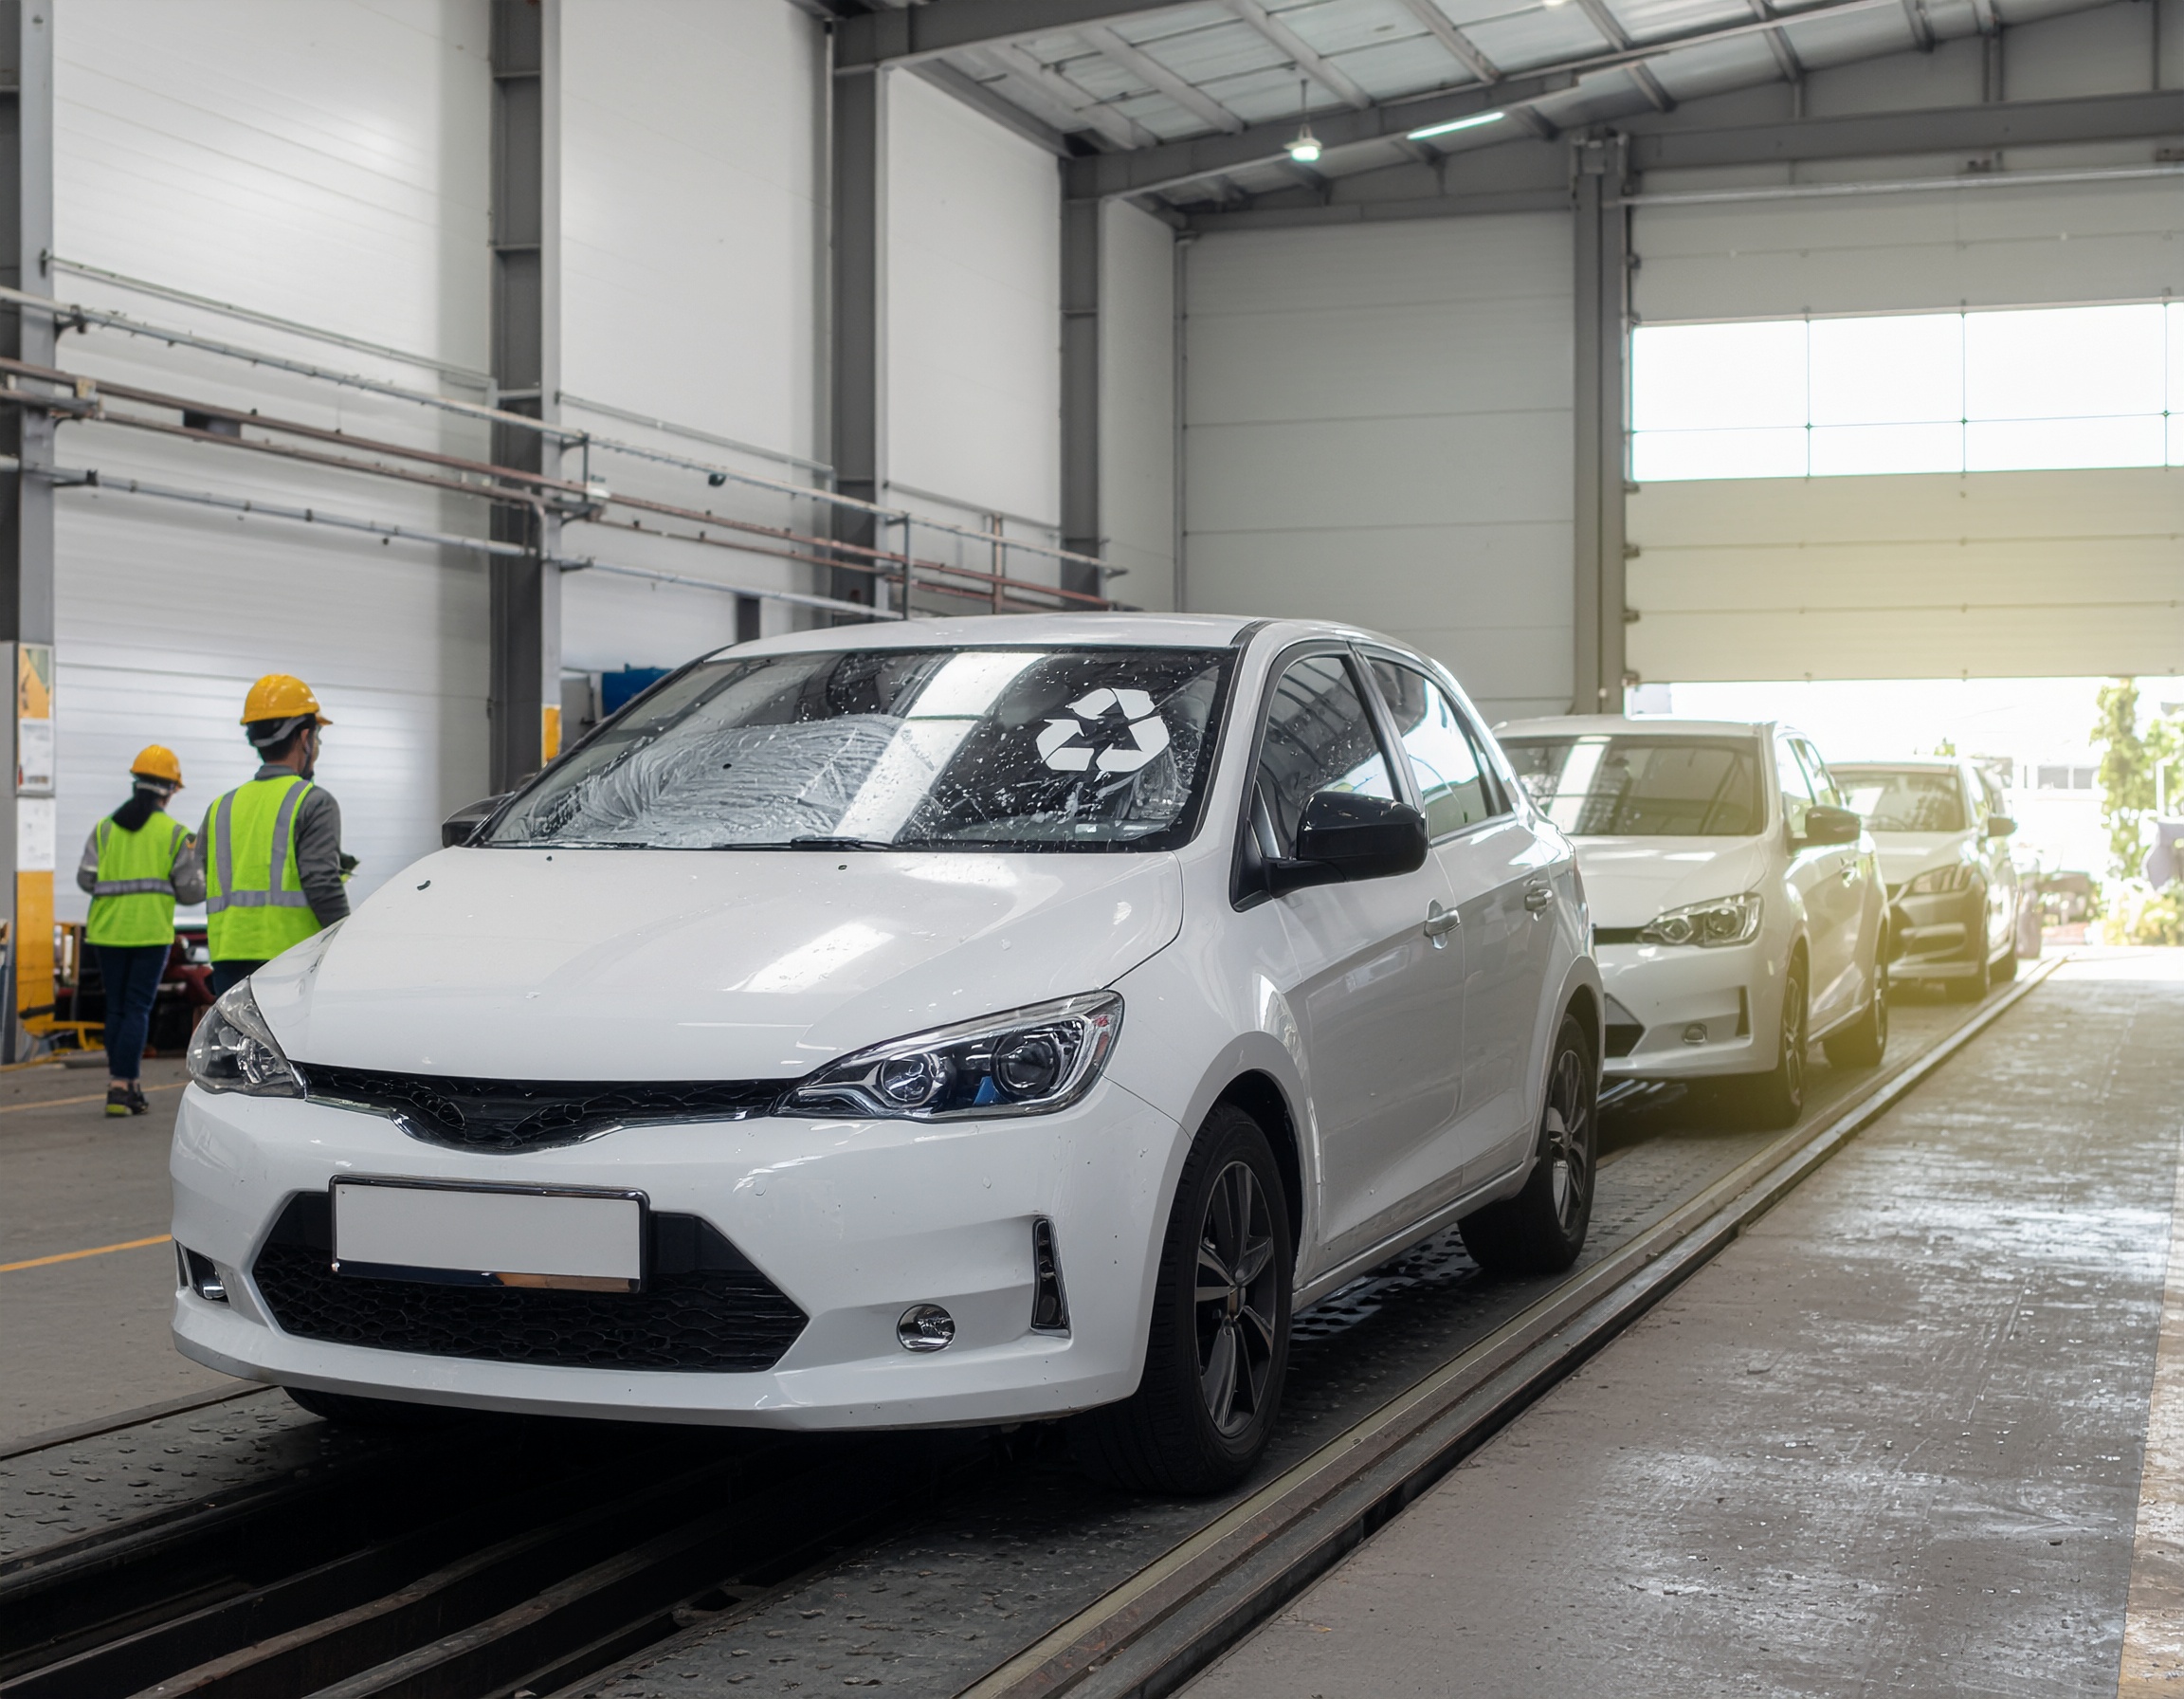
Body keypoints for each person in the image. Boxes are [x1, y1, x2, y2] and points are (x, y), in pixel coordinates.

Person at [198, 674, 349, 998]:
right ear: (305, 737)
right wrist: (346, 942)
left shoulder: (220, 807)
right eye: (318, 738)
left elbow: (201, 879)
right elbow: (321, 883)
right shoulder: (313, 801)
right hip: (292, 960)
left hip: (227, 960)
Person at [77, 745, 203, 1116]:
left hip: (107, 932)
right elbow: (191, 892)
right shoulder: (178, 835)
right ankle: (123, 1087)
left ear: (136, 782)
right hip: (149, 934)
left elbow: (86, 879)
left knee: (116, 1009)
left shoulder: (104, 829)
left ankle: (122, 1084)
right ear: (171, 789)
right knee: (136, 1009)